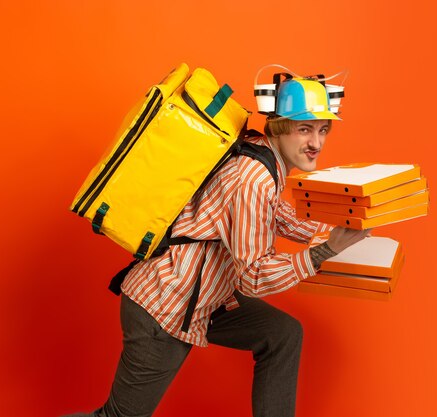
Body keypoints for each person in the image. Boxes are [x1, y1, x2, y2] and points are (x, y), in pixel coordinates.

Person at [65, 74, 370, 417]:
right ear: (279, 127)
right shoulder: (253, 178)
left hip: (204, 300)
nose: (316, 142)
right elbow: (252, 278)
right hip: (165, 306)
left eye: (323, 130)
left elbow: (277, 215)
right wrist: (323, 251)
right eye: (304, 129)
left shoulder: (262, 159)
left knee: (282, 334)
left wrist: (341, 231)